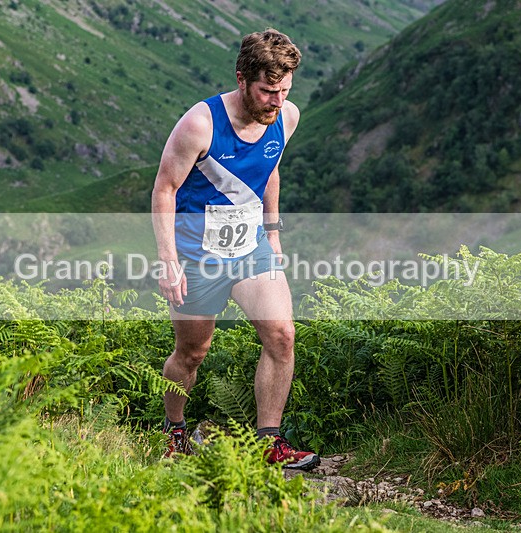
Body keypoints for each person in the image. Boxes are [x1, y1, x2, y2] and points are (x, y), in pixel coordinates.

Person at [151, 28, 319, 470]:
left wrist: (274, 233)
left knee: (282, 335)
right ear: (242, 78)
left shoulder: (286, 116)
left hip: (251, 249)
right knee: (192, 352)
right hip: (197, 254)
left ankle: (270, 441)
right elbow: (165, 189)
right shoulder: (200, 123)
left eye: (284, 89)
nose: (276, 100)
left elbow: (271, 169)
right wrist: (168, 262)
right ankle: (174, 431)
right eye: (267, 90)